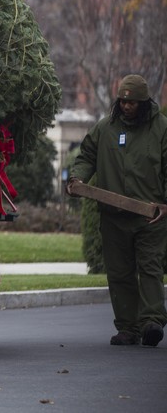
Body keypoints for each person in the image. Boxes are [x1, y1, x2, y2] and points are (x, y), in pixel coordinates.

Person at [67, 74, 167, 347]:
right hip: (113, 216)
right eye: (122, 102)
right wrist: (77, 178)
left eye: (132, 103)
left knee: (149, 268)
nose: (126, 106)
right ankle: (127, 328)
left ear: (144, 103)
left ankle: (152, 322)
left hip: (150, 216)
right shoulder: (105, 128)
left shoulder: (161, 129)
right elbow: (87, 155)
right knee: (119, 272)